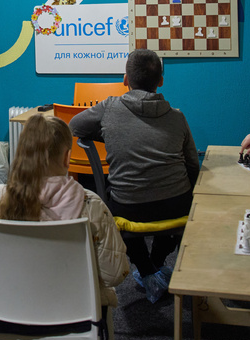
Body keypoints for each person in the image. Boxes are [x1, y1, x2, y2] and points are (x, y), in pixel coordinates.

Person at [0, 115, 127, 340]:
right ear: (66, 158)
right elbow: (115, 274)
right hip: (75, 312)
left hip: (10, 309)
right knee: (88, 284)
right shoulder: (90, 204)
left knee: (22, 278)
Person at [68, 49, 198, 303]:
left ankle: (148, 270)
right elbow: (193, 166)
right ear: (160, 80)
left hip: (129, 209)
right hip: (177, 209)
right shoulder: (178, 117)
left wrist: (109, 134)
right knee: (173, 206)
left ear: (125, 79)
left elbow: (74, 125)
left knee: (120, 202)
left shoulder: (108, 109)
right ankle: (155, 267)